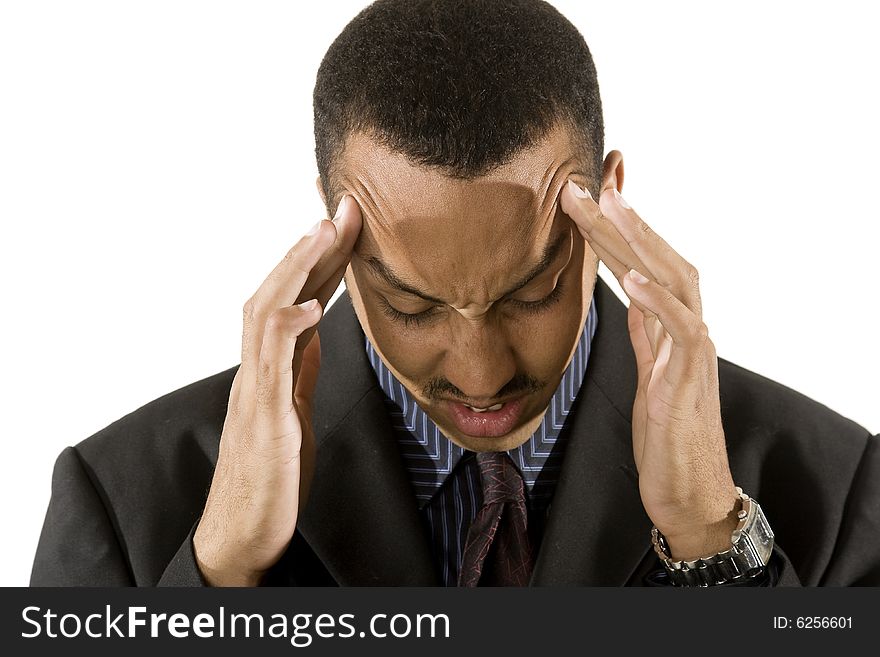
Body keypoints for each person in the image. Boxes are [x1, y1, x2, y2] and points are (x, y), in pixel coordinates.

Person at [31, 0, 879, 587]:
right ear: (334, 226)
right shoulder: (122, 498)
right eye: (412, 304)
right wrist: (217, 576)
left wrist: (717, 547)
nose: (480, 373)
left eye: (532, 291)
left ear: (610, 205)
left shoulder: (838, 488)